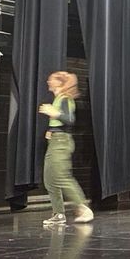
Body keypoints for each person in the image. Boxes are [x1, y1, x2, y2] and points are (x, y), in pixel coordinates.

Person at [39, 71, 94, 227]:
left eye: (52, 79)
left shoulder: (65, 99)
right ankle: (58, 213)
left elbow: (69, 119)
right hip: (56, 141)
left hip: (61, 143)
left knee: (61, 176)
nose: (49, 80)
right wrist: (51, 130)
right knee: (49, 179)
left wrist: (53, 113)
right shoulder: (58, 99)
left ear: (60, 83)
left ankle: (83, 207)